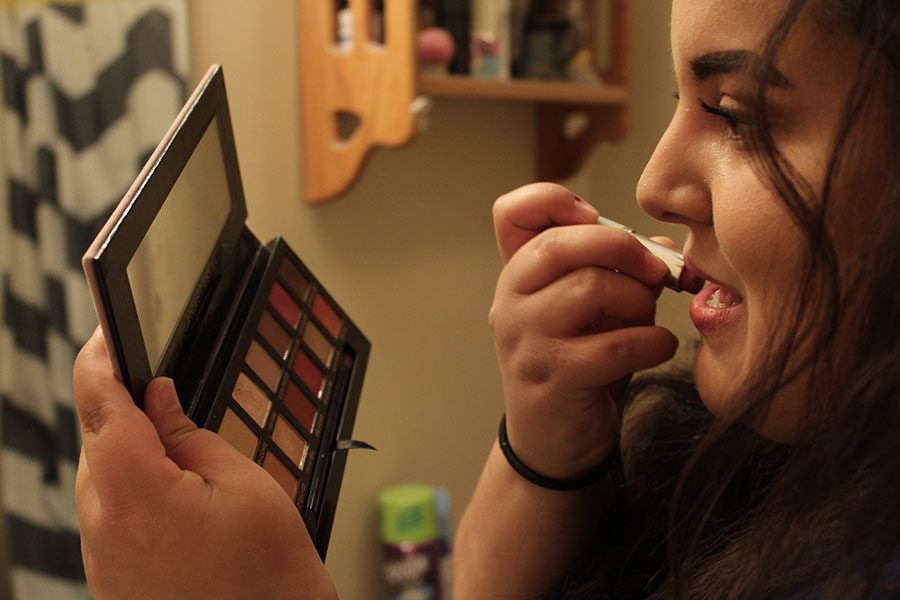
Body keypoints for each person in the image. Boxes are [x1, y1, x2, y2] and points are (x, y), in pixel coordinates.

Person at [73, 0, 900, 598]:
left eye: (737, 116)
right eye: (678, 100)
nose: (654, 185)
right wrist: (547, 454)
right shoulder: (758, 448)